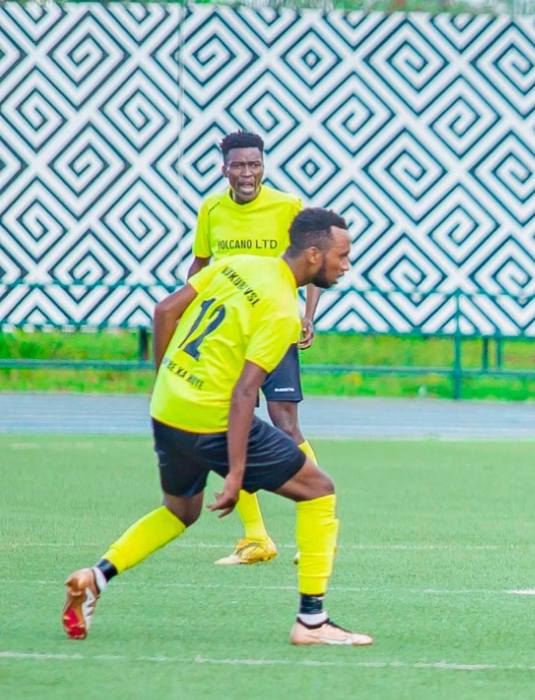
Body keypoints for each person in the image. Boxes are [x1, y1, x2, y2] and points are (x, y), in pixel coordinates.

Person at [62, 209, 371, 646]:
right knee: (318, 490)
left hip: (168, 407)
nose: (347, 265)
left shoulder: (239, 263)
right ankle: (312, 622)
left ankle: (96, 576)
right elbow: (245, 393)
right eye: (342, 255)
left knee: (180, 512)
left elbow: (164, 310)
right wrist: (236, 474)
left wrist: (165, 379)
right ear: (314, 255)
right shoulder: (283, 310)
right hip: (212, 417)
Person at [190, 130, 320, 566]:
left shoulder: (288, 206)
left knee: (285, 425)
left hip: (275, 326)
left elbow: (314, 259)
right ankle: (255, 538)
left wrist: (308, 315)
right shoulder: (211, 209)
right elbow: (200, 266)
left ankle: (319, 524)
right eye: (238, 165)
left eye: (254, 164)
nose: (247, 173)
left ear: (263, 166)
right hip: (227, 336)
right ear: (224, 168)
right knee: (232, 425)